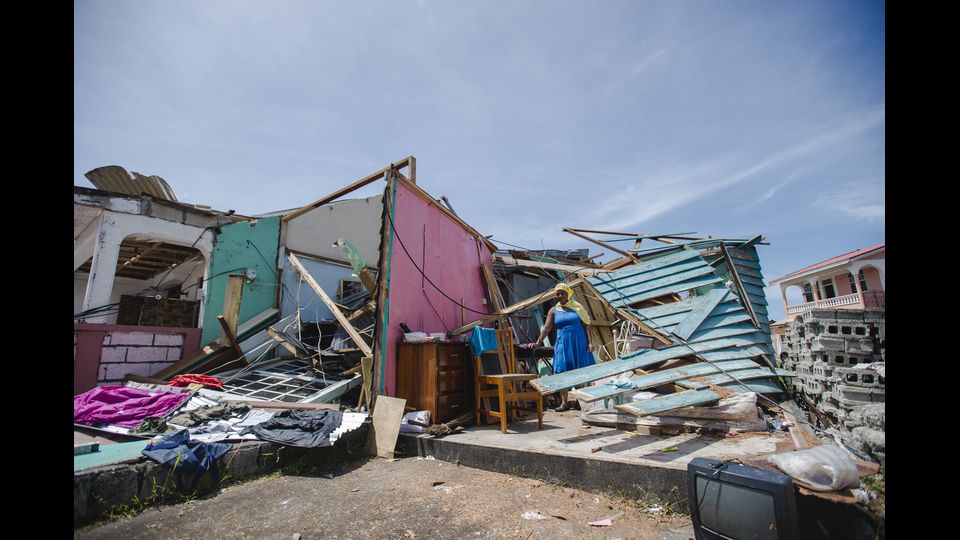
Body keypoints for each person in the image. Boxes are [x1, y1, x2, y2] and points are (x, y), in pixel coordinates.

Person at [531, 283, 595, 411]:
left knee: (580, 371)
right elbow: (547, 328)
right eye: (557, 293)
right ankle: (564, 403)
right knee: (561, 371)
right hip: (562, 344)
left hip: (578, 343)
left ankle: (578, 401)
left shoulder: (577, 307)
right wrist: (538, 342)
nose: (559, 296)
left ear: (568, 294)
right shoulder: (553, 310)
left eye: (562, 293)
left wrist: (590, 342)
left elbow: (586, 325)